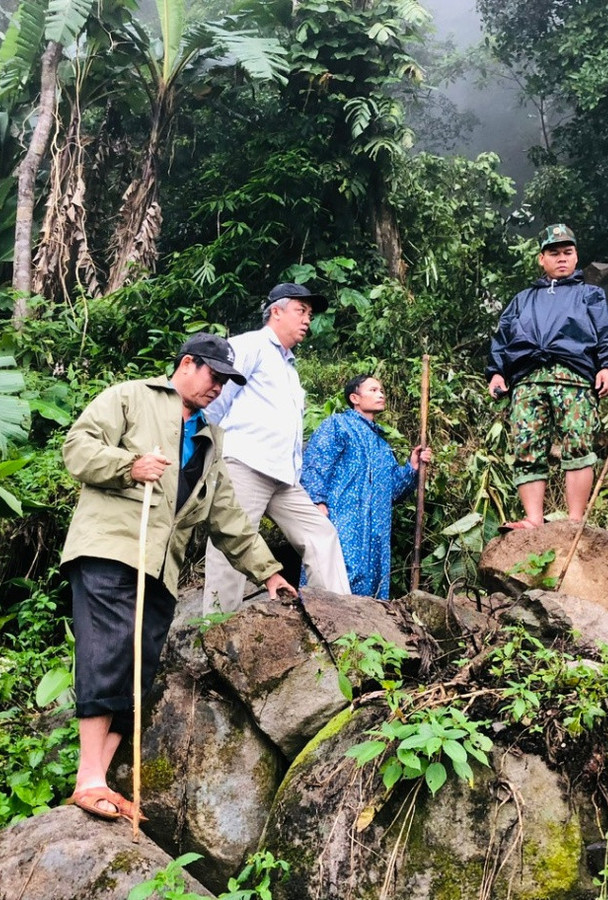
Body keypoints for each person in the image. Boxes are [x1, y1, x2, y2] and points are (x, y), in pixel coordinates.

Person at [61, 333, 297, 823]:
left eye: (227, 381)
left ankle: (98, 781)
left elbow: (228, 515)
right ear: (187, 364)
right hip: (110, 548)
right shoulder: (131, 397)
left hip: (160, 568)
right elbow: (77, 449)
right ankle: (89, 779)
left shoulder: (211, 439)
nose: (218, 388)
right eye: (214, 375)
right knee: (108, 651)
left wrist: (270, 574)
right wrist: (129, 465)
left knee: (139, 671)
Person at [202, 283, 350, 611]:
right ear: (276, 311)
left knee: (321, 536)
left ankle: (341, 622)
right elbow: (212, 398)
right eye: (301, 311)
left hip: (283, 477)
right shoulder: (250, 345)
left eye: (309, 314)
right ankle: (216, 632)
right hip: (245, 465)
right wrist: (203, 450)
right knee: (231, 547)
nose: (307, 319)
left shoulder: (290, 368)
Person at [486, 223, 608, 529]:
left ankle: (575, 520)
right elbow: (503, 337)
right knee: (526, 445)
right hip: (527, 381)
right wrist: (496, 372)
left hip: (572, 377)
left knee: (577, 443)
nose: (561, 258)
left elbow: (607, 333)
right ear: (541, 259)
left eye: (568, 252)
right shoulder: (523, 299)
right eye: (554, 253)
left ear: (576, 257)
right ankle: (533, 519)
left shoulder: (590, 294)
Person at [300, 375, 433, 599]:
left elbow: (391, 491)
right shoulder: (338, 425)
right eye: (372, 390)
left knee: (369, 585)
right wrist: (317, 501)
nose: (380, 394)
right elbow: (316, 462)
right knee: (334, 575)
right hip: (342, 517)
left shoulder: (382, 445)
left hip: (375, 530)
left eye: (381, 390)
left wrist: (412, 467)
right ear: (355, 398)